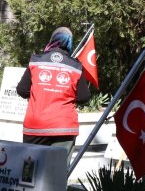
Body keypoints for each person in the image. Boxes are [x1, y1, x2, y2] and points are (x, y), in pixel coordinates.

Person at [16, 27, 93, 158]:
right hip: (64, 128)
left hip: (35, 127)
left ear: (52, 39)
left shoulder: (36, 61)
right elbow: (84, 97)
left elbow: (22, 90)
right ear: (69, 43)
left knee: (29, 173)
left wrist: (40, 92)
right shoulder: (75, 66)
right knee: (57, 172)